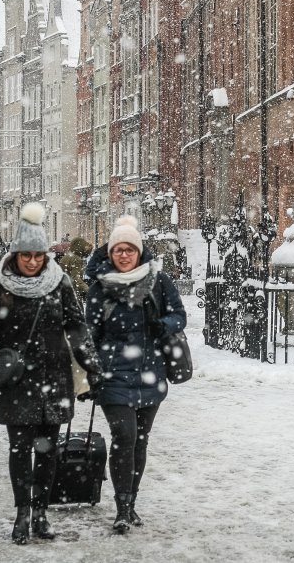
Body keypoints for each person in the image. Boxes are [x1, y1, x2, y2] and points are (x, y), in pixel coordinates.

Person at [0, 203, 103, 545]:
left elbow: (77, 328)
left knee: (47, 449)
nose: (32, 261)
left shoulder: (61, 284)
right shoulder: (1, 287)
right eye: (26, 255)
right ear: (15, 254)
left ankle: (41, 511)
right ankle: (22, 512)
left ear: (45, 256)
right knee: (19, 448)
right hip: (17, 379)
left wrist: (92, 367)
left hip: (54, 375)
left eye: (38, 255)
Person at [86, 215, 187, 534]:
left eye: (130, 249)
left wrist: (165, 325)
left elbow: (179, 315)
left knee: (140, 441)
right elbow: (89, 333)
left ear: (139, 251)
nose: (125, 255)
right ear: (111, 253)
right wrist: (89, 372)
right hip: (113, 374)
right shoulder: (100, 287)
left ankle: (132, 503)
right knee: (124, 437)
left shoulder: (158, 282)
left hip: (150, 371)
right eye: (119, 250)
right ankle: (121, 507)